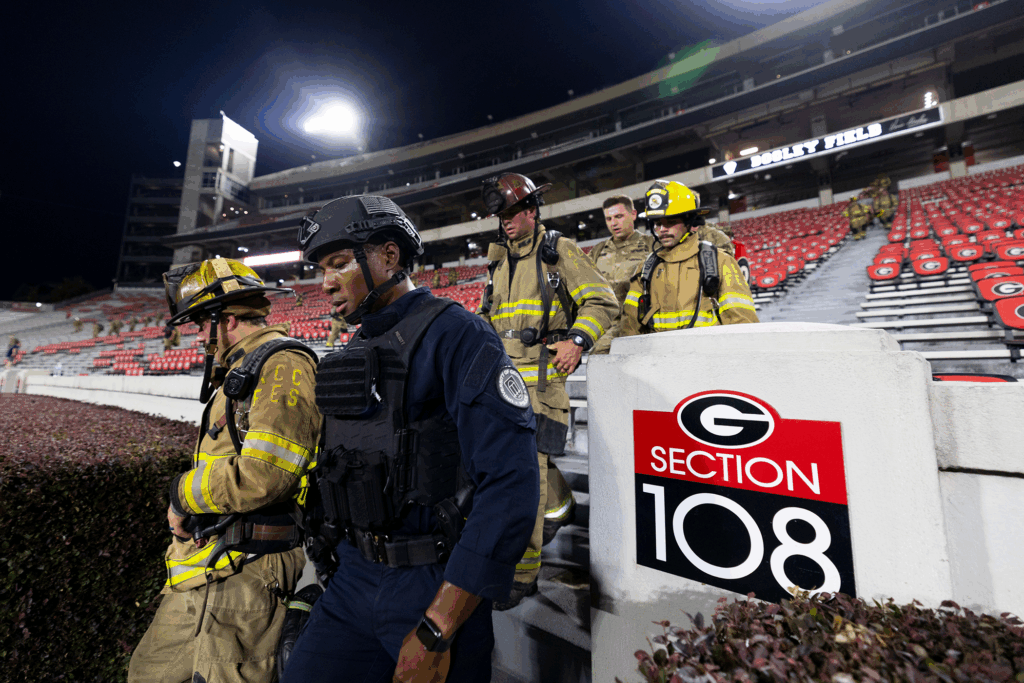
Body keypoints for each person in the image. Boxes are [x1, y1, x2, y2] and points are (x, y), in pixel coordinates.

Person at [283, 194, 538, 682]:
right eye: (320, 268)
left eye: (338, 263)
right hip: (352, 579)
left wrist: (438, 625)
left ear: (389, 256)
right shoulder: (356, 347)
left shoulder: (461, 335)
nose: (325, 282)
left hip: (431, 584)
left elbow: (510, 485)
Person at [129, 258, 320, 683]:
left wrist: (183, 494)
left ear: (227, 319)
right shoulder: (244, 368)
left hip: (248, 571)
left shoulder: (281, 366)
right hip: (212, 561)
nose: (198, 336)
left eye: (200, 323)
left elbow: (265, 476)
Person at [478, 172, 618, 608]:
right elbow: (488, 321)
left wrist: (577, 341)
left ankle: (523, 572)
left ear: (531, 210)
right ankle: (560, 510)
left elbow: (602, 301)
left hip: (540, 380)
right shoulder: (498, 261)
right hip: (503, 381)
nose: (505, 222)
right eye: (500, 216)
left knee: (527, 476)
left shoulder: (558, 250)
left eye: (511, 213)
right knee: (516, 468)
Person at [600, 180, 758, 344]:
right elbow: (630, 327)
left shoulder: (719, 261)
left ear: (691, 223)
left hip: (708, 360)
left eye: (671, 222)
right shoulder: (646, 269)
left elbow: (742, 325)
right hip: (659, 361)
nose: (662, 230)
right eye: (658, 223)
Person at [588, 195, 654, 355]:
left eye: (619, 216)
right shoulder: (598, 251)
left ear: (633, 214)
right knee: (599, 370)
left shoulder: (651, 245)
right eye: (609, 218)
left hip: (641, 329)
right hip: (605, 331)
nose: (613, 223)